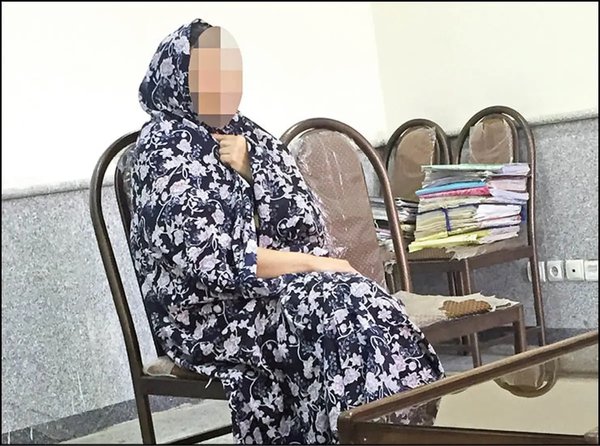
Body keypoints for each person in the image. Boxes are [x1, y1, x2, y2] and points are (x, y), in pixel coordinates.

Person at [129, 18, 444, 444]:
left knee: (360, 302)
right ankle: (361, 435)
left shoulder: (249, 135)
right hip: (208, 314)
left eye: (233, 72)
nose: (228, 85)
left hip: (273, 291)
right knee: (335, 308)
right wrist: (318, 265)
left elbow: (305, 223)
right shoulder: (162, 149)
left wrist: (253, 168)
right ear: (180, 77)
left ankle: (402, 431)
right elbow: (212, 260)